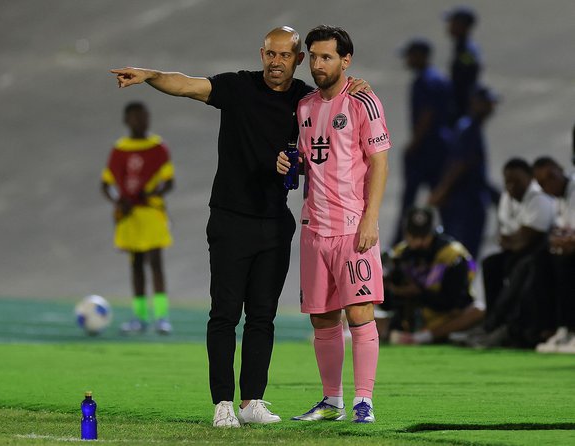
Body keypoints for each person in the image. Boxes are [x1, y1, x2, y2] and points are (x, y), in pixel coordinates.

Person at [110, 27, 371, 427]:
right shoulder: (238, 87)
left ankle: (252, 402)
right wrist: (150, 74)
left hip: (275, 222)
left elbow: (335, 92)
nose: (276, 61)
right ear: (261, 54)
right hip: (231, 218)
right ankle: (222, 405)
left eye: (285, 55)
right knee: (225, 315)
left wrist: (357, 87)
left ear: (298, 60)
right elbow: (187, 86)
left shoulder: (304, 100)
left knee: (263, 317)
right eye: (270, 54)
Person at [276, 25, 389, 424]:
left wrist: (370, 220)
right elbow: (313, 160)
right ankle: (331, 401)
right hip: (314, 228)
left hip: (352, 228)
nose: (319, 64)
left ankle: (364, 401)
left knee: (359, 314)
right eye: (315, 57)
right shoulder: (304, 107)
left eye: (328, 57)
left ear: (346, 61)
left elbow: (379, 162)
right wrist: (292, 164)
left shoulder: (362, 101)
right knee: (322, 318)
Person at [100, 102, 175, 334]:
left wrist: (152, 193)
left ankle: (161, 317)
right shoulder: (119, 149)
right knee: (136, 265)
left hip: (151, 211)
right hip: (129, 214)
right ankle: (140, 317)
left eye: (144, 117)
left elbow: (169, 181)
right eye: (136, 117)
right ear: (126, 120)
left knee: (156, 262)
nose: (142, 121)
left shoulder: (158, 147)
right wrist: (117, 200)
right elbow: (106, 184)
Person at [468, 158, 555, 347]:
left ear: (530, 179)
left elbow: (528, 238)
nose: (511, 186)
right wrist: (515, 239)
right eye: (508, 181)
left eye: (517, 181)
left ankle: (505, 325)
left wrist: (513, 240)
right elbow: (505, 236)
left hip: (537, 253)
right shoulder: (507, 197)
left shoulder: (538, 199)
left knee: (521, 269)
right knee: (491, 264)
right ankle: (490, 322)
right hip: (518, 252)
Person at [382, 206, 483, 345]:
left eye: (423, 236)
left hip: (446, 316)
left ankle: (423, 337)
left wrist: (418, 293)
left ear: (434, 233)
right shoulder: (399, 254)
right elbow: (388, 305)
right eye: (413, 236)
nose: (417, 242)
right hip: (411, 315)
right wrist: (389, 289)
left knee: (478, 310)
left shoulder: (453, 255)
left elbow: (452, 302)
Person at [393, 38, 453, 244]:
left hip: (427, 149)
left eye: (410, 55)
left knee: (410, 199)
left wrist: (414, 144)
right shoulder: (438, 79)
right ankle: (447, 237)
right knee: (440, 197)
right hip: (439, 146)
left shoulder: (425, 81)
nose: (408, 60)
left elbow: (427, 115)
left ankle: (400, 241)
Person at [429, 86, 497, 258]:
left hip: (466, 201)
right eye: (487, 103)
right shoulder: (469, 129)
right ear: (475, 103)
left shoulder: (467, 126)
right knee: (464, 254)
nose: (491, 107)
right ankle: (463, 284)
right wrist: (441, 192)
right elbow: (459, 165)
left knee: (463, 253)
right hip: (466, 205)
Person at [533, 157, 575, 353]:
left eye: (550, 177)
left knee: (566, 264)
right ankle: (559, 329)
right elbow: (559, 231)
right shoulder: (559, 199)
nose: (547, 185)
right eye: (542, 183)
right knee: (543, 259)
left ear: (559, 169)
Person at [444, 6, 482, 124]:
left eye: (453, 22)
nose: (449, 26)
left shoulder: (466, 51)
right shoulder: (461, 47)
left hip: (461, 107)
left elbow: (466, 78)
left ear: (462, 25)